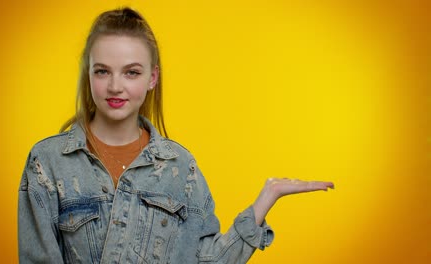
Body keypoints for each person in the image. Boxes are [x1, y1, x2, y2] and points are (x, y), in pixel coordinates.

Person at [18, 7, 334, 264]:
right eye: (102, 71)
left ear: (152, 77)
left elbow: (206, 261)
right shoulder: (47, 163)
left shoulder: (181, 168)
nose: (116, 86)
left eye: (131, 72)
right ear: (88, 74)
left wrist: (266, 199)